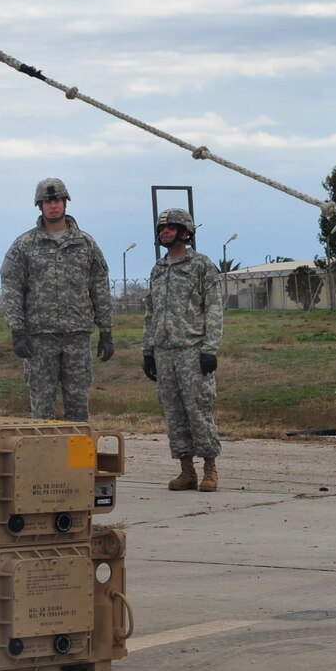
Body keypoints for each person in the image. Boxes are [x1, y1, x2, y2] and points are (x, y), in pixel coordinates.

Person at [0, 177, 114, 420]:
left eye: (58, 200)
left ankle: (79, 459)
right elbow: (11, 287)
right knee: (42, 406)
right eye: (48, 201)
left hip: (77, 336)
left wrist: (106, 330)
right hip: (40, 338)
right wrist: (17, 330)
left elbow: (99, 286)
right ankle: (42, 458)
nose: (54, 205)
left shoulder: (85, 243)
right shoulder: (24, 245)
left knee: (78, 406)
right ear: (40, 206)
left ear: (65, 203)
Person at [142, 207, 224, 491]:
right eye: (161, 228)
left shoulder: (201, 265)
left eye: (170, 228)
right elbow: (150, 312)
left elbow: (213, 308)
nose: (164, 232)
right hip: (164, 352)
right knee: (174, 412)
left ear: (185, 232)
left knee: (199, 409)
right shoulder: (158, 268)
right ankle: (186, 470)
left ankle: (210, 469)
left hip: (192, 350)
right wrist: (148, 350)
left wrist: (210, 348)